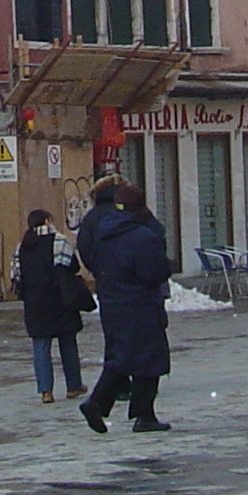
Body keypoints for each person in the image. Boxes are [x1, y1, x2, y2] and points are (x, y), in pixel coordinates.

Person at [78, 181, 172, 433]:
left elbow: (92, 259)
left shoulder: (103, 232)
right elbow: (154, 273)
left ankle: (131, 411)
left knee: (124, 355)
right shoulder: (142, 236)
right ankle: (112, 406)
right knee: (146, 358)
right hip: (140, 303)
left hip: (112, 301)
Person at [13, 209, 87, 400]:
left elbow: (16, 276)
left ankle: (46, 391)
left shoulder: (22, 246)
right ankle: (73, 385)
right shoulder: (59, 240)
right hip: (60, 299)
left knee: (40, 345)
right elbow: (72, 266)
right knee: (68, 342)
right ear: (47, 221)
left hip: (35, 302)